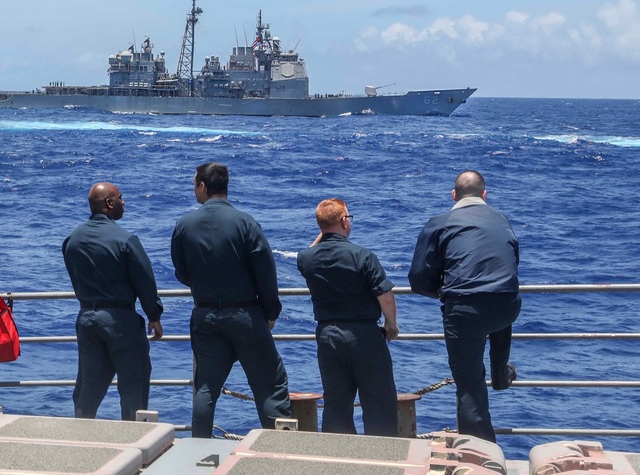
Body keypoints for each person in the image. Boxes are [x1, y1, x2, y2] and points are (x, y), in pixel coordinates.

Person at [170, 163, 292, 437]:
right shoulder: (246, 222)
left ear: (202, 186)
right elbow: (265, 271)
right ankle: (280, 448)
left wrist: (204, 285)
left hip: (206, 315)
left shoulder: (184, 225)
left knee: (206, 389)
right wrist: (270, 312)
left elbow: (181, 272)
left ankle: (199, 448)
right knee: (270, 386)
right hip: (246, 316)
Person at [409, 170, 520, 442]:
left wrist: (445, 293)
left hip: (465, 309)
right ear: (484, 194)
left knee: (470, 386)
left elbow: (418, 278)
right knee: (498, 312)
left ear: (453, 195)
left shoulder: (439, 223)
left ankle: (480, 454)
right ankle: (501, 372)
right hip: (506, 302)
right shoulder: (501, 219)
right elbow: (512, 260)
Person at [62, 182, 164, 420]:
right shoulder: (125, 240)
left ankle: (81, 440)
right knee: (133, 387)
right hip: (121, 322)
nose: (124, 202)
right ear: (109, 204)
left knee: (88, 388)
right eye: (120, 198)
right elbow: (145, 281)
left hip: (87, 319)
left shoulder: (72, 239)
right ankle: (133, 443)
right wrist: (154, 315)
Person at [298, 199, 399, 436]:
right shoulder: (362, 256)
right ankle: (381, 463)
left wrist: (323, 233)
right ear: (344, 221)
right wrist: (391, 325)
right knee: (378, 403)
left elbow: (310, 252)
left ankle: (339, 461)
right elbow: (385, 296)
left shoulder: (306, 258)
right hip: (364, 336)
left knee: (336, 404)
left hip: (328, 336)